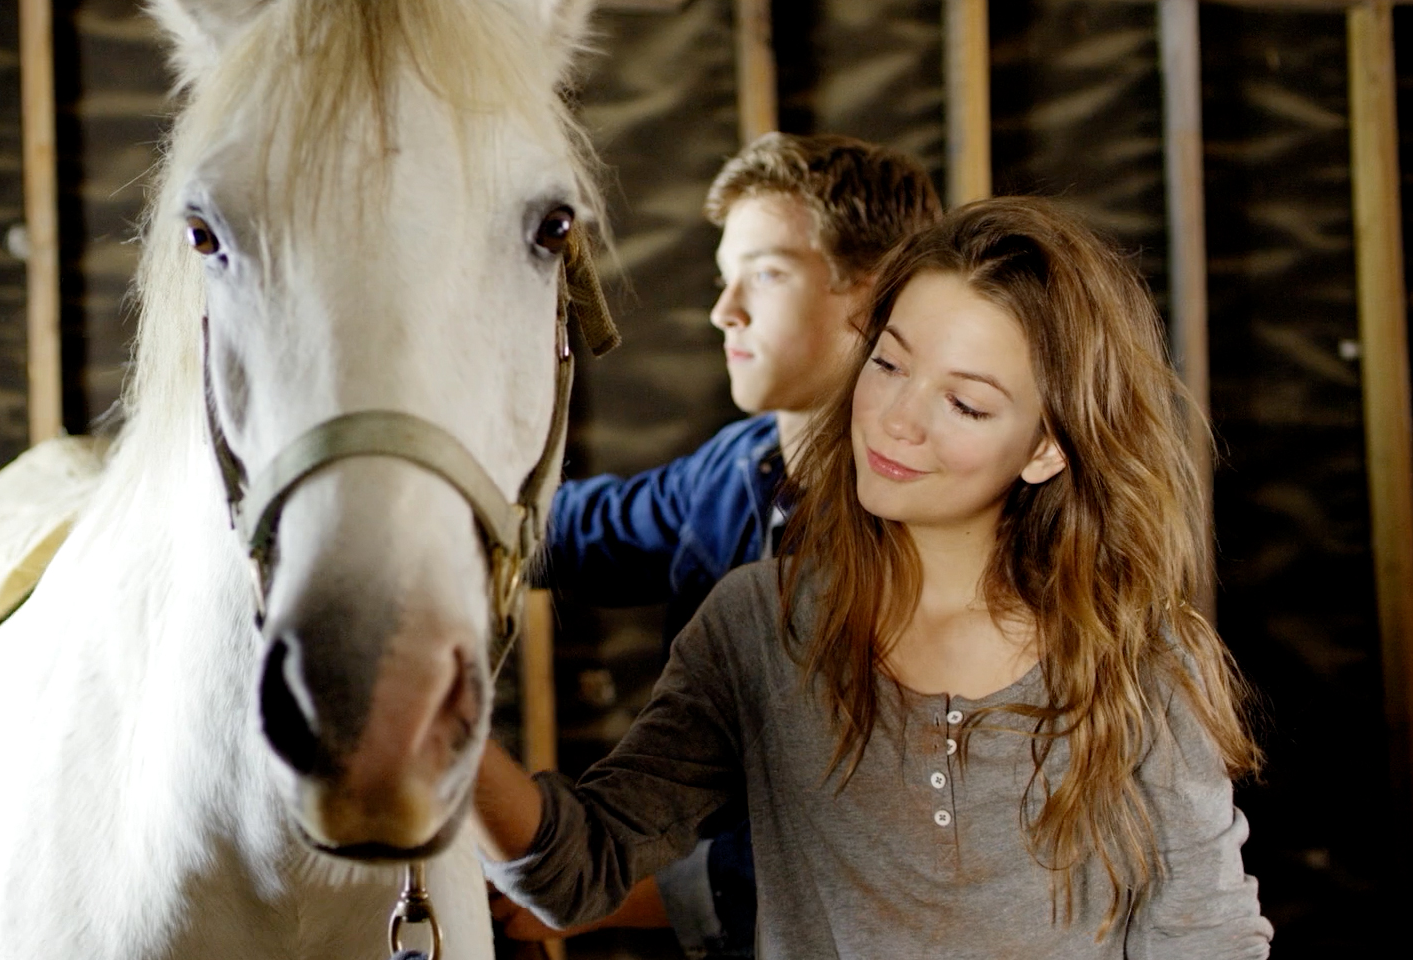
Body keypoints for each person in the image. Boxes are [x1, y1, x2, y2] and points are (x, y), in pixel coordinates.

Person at [481, 197, 1273, 958]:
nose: (897, 418)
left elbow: (1207, 939)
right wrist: (443, 733)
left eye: (964, 404)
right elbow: (575, 873)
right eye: (888, 363)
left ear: (1045, 449)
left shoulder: (1141, 657)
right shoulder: (760, 624)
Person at [514, 133, 941, 957]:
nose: (724, 310)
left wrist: (612, 897)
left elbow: (892, 834)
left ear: (878, 294)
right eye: (723, 278)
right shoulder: (737, 468)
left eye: (768, 273)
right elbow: (566, 532)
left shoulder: (935, 525)